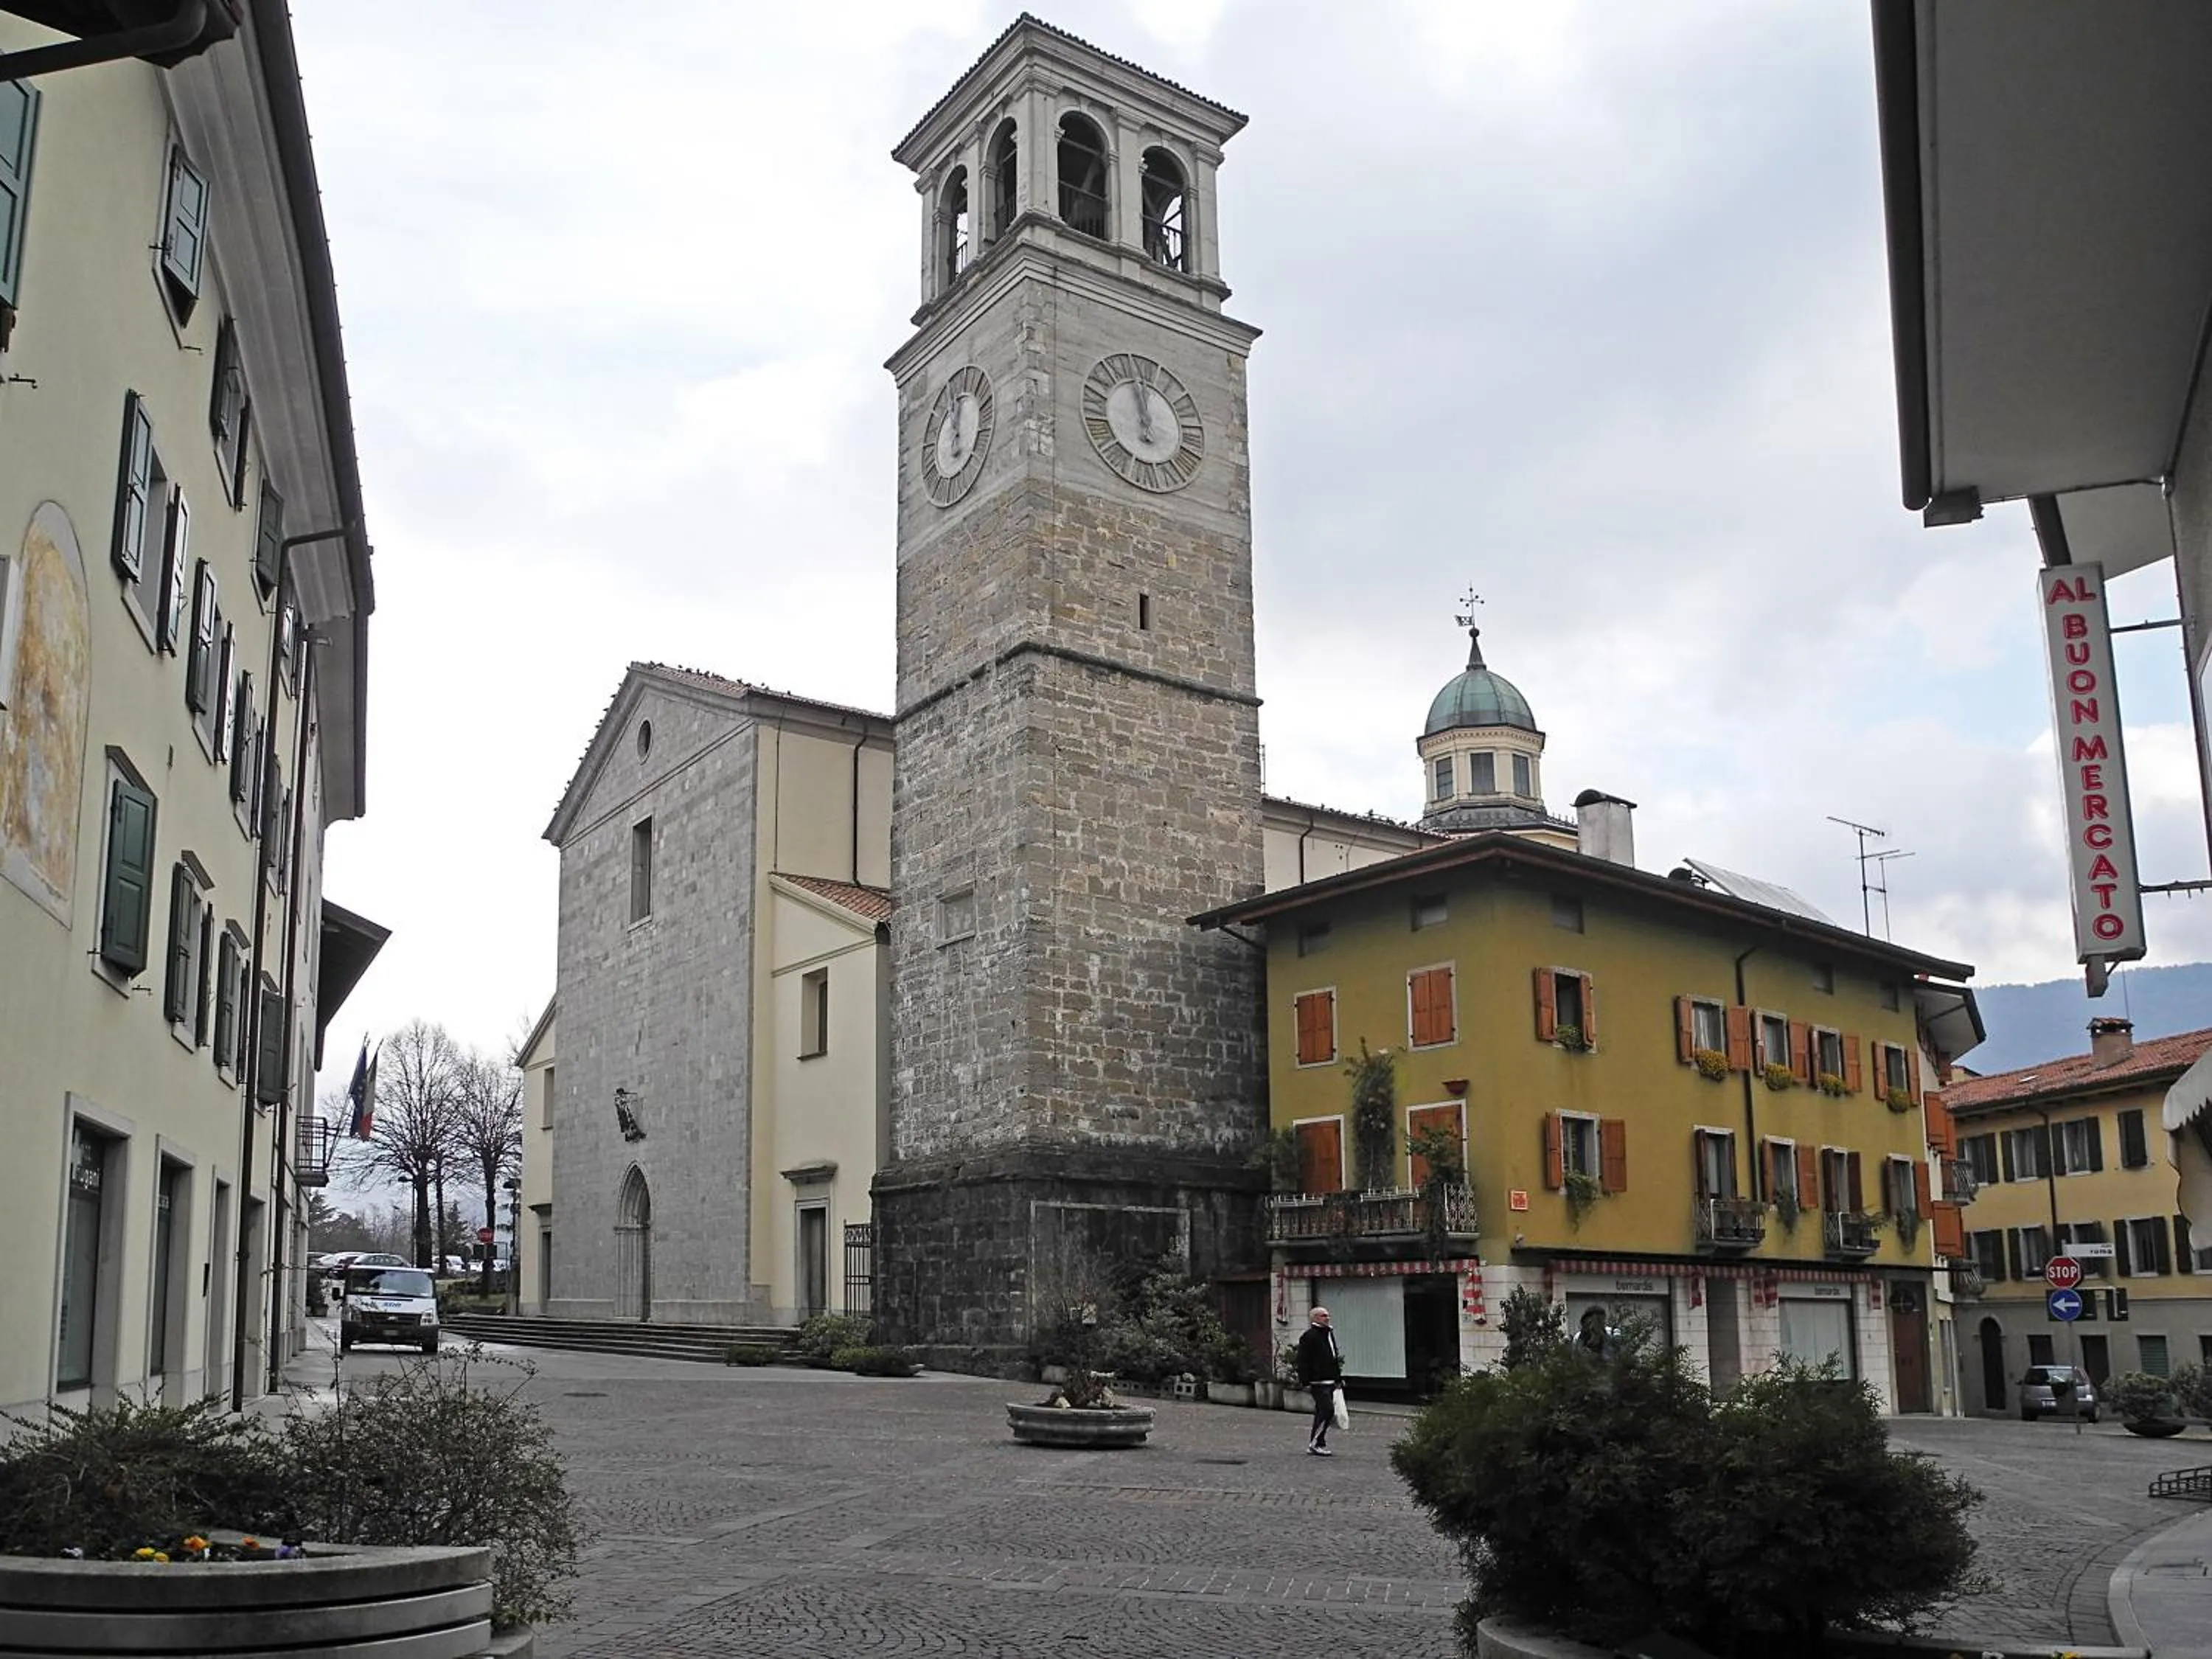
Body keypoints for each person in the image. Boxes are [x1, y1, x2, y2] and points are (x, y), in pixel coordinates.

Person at [1296, 1305, 1344, 1455]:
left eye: (1328, 1315)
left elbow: (1333, 1357)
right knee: (1327, 1410)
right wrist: (1305, 1381)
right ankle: (1317, 1442)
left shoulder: (1328, 1334)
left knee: (1322, 1412)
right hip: (1318, 1381)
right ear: (1315, 1318)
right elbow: (1303, 1360)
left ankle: (1316, 1442)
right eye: (1324, 1315)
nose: (1327, 1318)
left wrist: (1338, 1378)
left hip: (1329, 1380)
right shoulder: (1309, 1336)